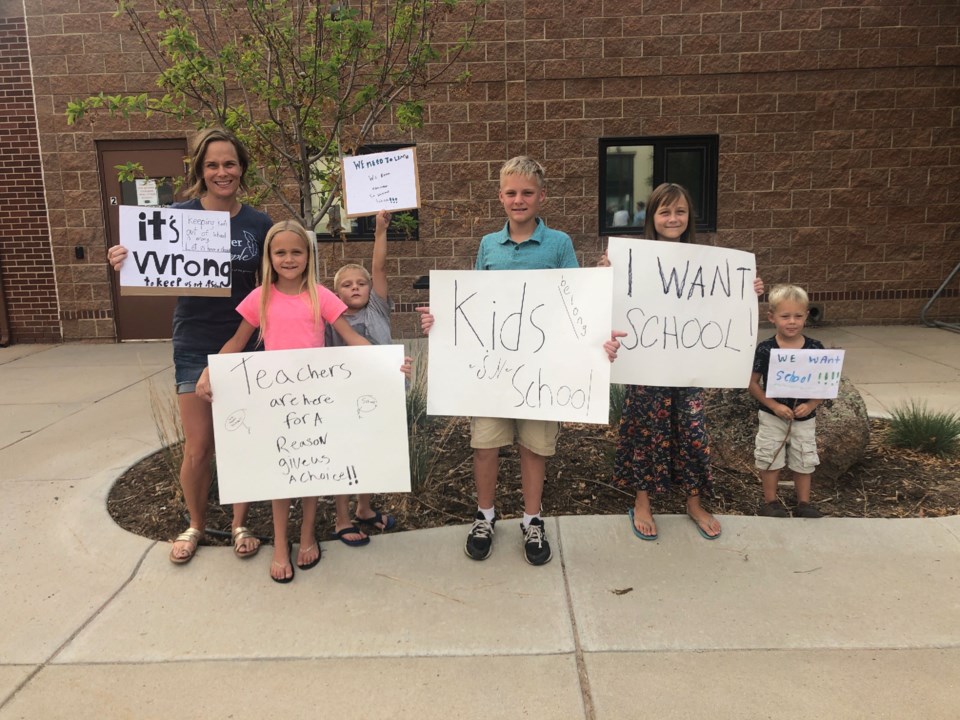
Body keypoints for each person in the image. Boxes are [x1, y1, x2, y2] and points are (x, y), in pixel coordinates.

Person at [418, 156, 623, 566]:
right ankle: (486, 516)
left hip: (542, 372)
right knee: (485, 447)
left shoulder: (559, 244)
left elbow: (575, 304)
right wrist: (441, 320)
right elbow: (472, 302)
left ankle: (532, 519)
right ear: (500, 197)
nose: (519, 199)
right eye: (511, 192)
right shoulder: (488, 246)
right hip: (493, 371)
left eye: (527, 192)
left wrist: (599, 337)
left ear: (541, 197)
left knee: (535, 447)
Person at [108, 128, 272, 565]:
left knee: (243, 437)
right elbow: (147, 264)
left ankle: (240, 524)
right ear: (201, 170)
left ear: (242, 169)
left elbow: (275, 284)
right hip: (195, 339)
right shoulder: (177, 216)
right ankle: (195, 523)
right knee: (198, 445)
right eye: (213, 164)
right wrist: (126, 260)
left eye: (230, 163)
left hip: (246, 341)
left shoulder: (259, 223)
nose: (223, 172)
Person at [195, 220, 374, 583]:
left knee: (309, 470)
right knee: (282, 474)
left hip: (315, 398)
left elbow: (351, 335)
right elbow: (237, 340)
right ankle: (280, 543)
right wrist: (209, 370)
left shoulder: (322, 295)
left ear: (308, 256)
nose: (289, 259)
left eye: (297, 252)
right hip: (276, 399)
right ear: (269, 257)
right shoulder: (259, 296)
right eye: (281, 252)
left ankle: (307, 535)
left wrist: (385, 363)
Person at [601, 182, 764, 542]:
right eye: (664, 211)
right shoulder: (633, 258)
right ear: (652, 217)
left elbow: (723, 305)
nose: (672, 218)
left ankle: (693, 502)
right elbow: (605, 299)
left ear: (689, 217)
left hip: (689, 367)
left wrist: (748, 292)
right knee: (645, 433)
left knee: (692, 432)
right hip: (647, 366)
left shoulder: (708, 262)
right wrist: (606, 273)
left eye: (680, 211)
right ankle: (642, 502)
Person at [325, 209, 406, 547]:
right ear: (336, 293)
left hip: (382, 395)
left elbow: (379, 267)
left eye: (360, 283)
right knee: (347, 453)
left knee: (371, 452)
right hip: (345, 399)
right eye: (347, 284)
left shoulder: (377, 308)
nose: (355, 287)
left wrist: (380, 233)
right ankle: (342, 518)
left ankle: (364, 508)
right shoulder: (332, 319)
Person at [748, 284, 825, 518]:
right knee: (770, 457)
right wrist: (774, 405)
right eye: (785, 316)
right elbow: (752, 383)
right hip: (772, 416)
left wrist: (811, 404)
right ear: (772, 317)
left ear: (806, 316)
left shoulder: (815, 348)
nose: (792, 321)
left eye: (798, 316)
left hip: (805, 418)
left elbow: (824, 384)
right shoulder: (765, 348)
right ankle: (770, 502)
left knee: (804, 458)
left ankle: (804, 503)